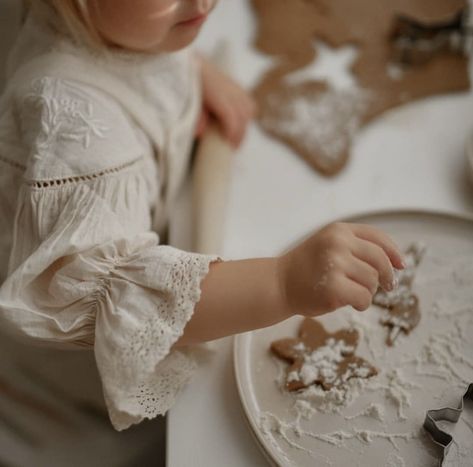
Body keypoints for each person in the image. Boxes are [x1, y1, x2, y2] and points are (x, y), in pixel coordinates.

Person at [0, 0, 404, 440]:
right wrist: (283, 281)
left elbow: (120, 33)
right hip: (70, 405)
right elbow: (115, 302)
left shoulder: (126, 27)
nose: (202, 3)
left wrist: (193, 70)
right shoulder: (75, 124)